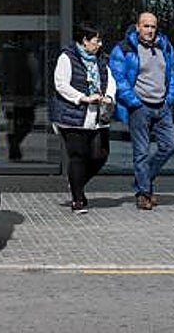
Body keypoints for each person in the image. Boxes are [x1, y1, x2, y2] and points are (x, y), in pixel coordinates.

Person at [109, 11, 174, 211]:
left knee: (170, 146)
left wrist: (170, 98)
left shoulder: (165, 46)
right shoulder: (124, 49)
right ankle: (144, 194)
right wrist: (134, 101)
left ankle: (143, 180)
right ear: (138, 27)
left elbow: (172, 72)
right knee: (141, 152)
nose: (150, 30)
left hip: (162, 106)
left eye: (153, 26)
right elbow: (118, 78)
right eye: (146, 26)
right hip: (140, 107)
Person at [50, 24, 116, 214]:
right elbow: (61, 84)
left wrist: (109, 97)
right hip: (72, 116)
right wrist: (83, 97)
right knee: (78, 156)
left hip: (97, 116)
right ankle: (78, 199)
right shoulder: (67, 58)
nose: (100, 44)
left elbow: (110, 80)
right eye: (97, 40)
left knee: (100, 155)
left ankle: (76, 183)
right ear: (85, 41)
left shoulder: (101, 59)